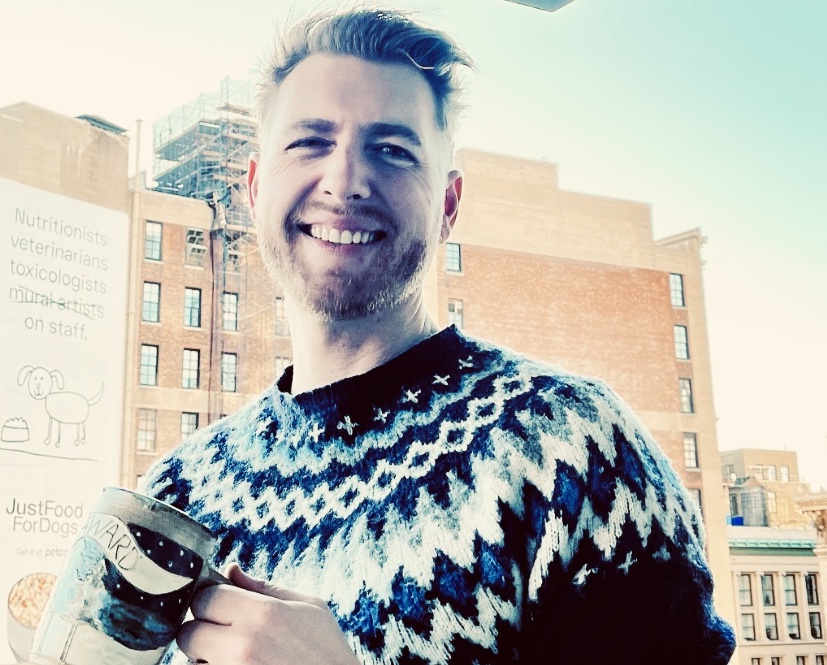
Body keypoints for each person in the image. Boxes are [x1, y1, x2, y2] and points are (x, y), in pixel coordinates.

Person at [141, 8, 736, 664]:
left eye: (392, 150)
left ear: (448, 204)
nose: (344, 182)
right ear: (254, 188)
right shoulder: (174, 492)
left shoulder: (575, 452)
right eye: (309, 141)